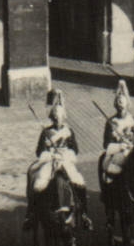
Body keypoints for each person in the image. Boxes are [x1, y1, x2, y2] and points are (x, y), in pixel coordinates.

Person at [22, 90, 90, 231]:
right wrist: (47, 147)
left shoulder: (68, 131)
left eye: (60, 116)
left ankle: (84, 214)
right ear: (52, 117)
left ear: (64, 117)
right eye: (55, 116)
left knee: (79, 181)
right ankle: (32, 213)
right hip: (50, 161)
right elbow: (39, 152)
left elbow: (75, 149)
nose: (58, 119)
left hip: (64, 160)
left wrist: (65, 153)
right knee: (38, 184)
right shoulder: (46, 132)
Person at [101, 80, 134, 181]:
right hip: (119, 153)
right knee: (114, 171)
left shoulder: (132, 119)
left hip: (133, 150)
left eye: (123, 105)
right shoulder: (111, 122)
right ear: (116, 106)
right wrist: (119, 146)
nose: (121, 108)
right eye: (119, 104)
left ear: (127, 105)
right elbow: (106, 144)